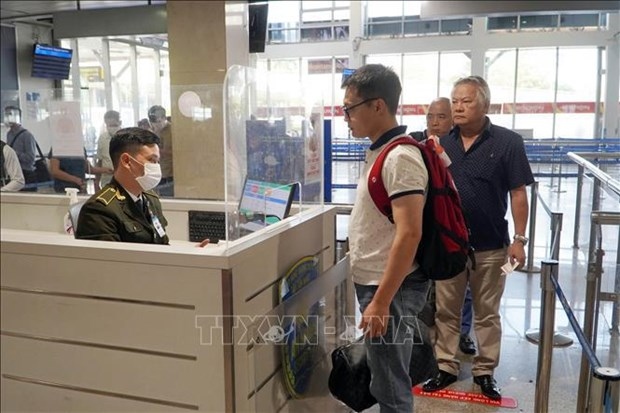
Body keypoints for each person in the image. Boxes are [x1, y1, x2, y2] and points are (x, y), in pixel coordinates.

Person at [422, 76, 534, 400]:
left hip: (493, 248)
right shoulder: (441, 143)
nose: (457, 106)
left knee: (487, 312)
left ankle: (485, 371)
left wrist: (520, 239)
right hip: (450, 247)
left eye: (466, 100)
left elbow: (518, 194)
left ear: (484, 103)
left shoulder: (508, 143)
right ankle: (446, 367)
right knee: (446, 310)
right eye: (455, 100)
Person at [343, 64, 429, 412]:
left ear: (377, 106)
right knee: (385, 376)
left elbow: (410, 233)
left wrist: (380, 301)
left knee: (390, 384)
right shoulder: (381, 151)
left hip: (389, 288)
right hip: (379, 284)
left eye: (349, 108)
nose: (345, 116)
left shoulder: (400, 157)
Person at [411, 97, 477, 355]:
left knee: (462, 286)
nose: (434, 122)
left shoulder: (459, 149)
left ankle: (463, 332)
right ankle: (429, 335)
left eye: (441, 117)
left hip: (455, 228)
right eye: (430, 116)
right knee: (426, 282)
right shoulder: (416, 144)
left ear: (453, 120)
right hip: (427, 227)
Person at [4, 106, 37, 191]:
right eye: (6, 115)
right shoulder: (9, 134)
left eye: (10, 115)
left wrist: (14, 154)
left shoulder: (27, 135)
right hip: (12, 173)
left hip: (26, 173)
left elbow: (31, 158)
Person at [147, 105, 173, 196]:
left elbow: (179, 153)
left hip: (171, 175)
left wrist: (158, 150)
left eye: (158, 121)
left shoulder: (173, 131)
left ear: (164, 118)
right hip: (157, 173)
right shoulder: (152, 132)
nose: (156, 124)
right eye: (153, 122)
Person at [94, 110, 122, 191]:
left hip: (124, 180)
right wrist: (97, 181)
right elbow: (99, 161)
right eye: (109, 125)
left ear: (120, 122)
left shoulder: (128, 138)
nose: (111, 128)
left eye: (114, 125)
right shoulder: (102, 138)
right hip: (107, 180)